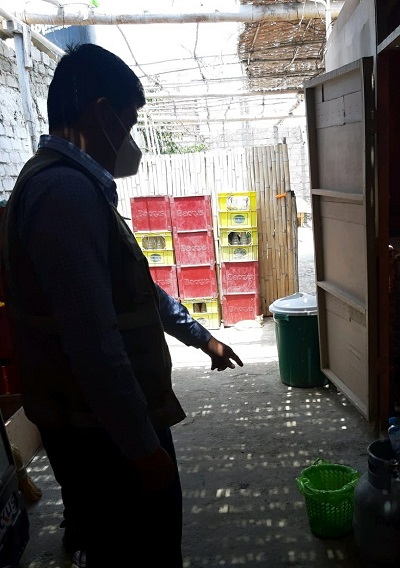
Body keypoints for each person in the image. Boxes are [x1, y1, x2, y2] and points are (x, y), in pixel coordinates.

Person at [0, 43, 243, 568]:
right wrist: (141, 447)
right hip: (102, 435)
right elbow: (94, 341)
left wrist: (202, 338)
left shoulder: (74, 188)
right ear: (102, 114)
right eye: (129, 122)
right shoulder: (63, 194)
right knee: (141, 550)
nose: (130, 139)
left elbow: (136, 293)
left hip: (101, 426)